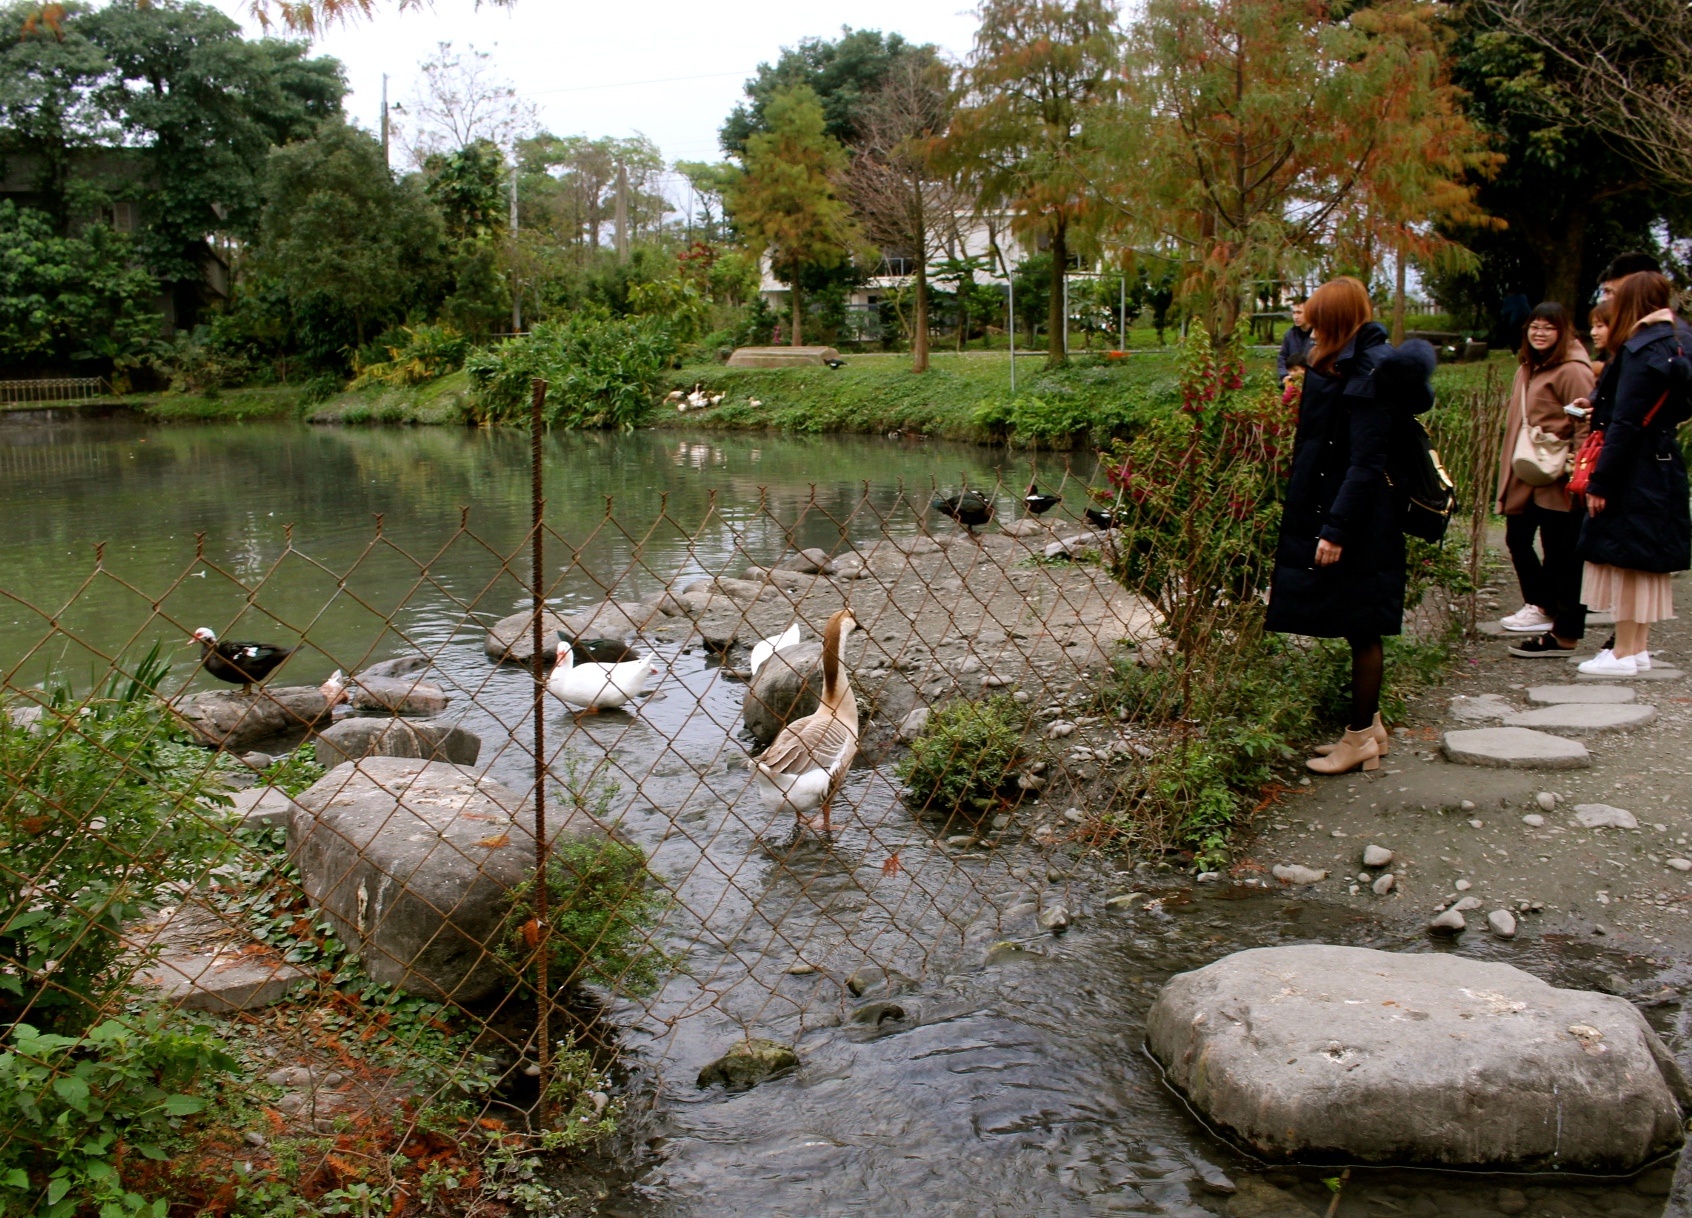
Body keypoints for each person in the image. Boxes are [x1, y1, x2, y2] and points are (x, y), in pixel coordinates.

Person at [1265, 277, 1432, 775]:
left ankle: (1359, 738)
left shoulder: (1368, 373)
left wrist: (1335, 530)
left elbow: (1364, 462)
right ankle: (1370, 726)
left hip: (1361, 517)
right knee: (1356, 618)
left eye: (1316, 327)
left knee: (1362, 624)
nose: (1309, 336)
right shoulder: (1356, 364)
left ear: (1335, 324)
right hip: (1358, 510)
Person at [1570, 271, 1692, 675]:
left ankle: (1623, 651)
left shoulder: (1640, 349)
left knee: (1626, 553)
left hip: (1632, 463)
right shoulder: (1678, 341)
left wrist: (1601, 480)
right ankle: (1636, 647)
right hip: (1662, 454)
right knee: (1645, 553)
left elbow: (1625, 421)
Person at [1496, 302, 1595, 655]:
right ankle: (1540, 604)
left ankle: (1548, 610)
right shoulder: (1527, 366)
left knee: (1557, 545)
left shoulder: (1571, 370)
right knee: (1517, 535)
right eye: (1534, 327)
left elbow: (1585, 419)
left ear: (1563, 331)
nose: (1539, 333)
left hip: (1557, 469)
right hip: (1527, 464)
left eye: (1548, 328)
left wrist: (1580, 464)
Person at [1277, 297, 1311, 386]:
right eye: (1294, 313)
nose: (1295, 316)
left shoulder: (1319, 335)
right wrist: (1284, 375)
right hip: (1293, 381)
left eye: (1299, 313)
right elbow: (1282, 357)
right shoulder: (1290, 334)